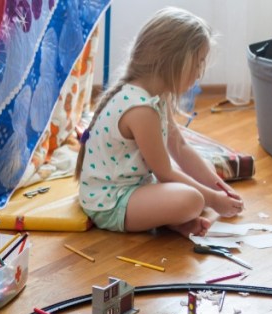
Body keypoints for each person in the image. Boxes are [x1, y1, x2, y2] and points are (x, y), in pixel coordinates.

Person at [75, 7, 243, 238]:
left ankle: (173, 222)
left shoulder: (158, 95)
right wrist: (213, 200)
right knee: (193, 200)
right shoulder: (141, 109)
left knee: (205, 171)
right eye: (198, 63)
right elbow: (164, 173)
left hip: (138, 187)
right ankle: (172, 218)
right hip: (111, 202)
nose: (199, 73)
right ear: (173, 61)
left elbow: (181, 148)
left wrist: (219, 188)